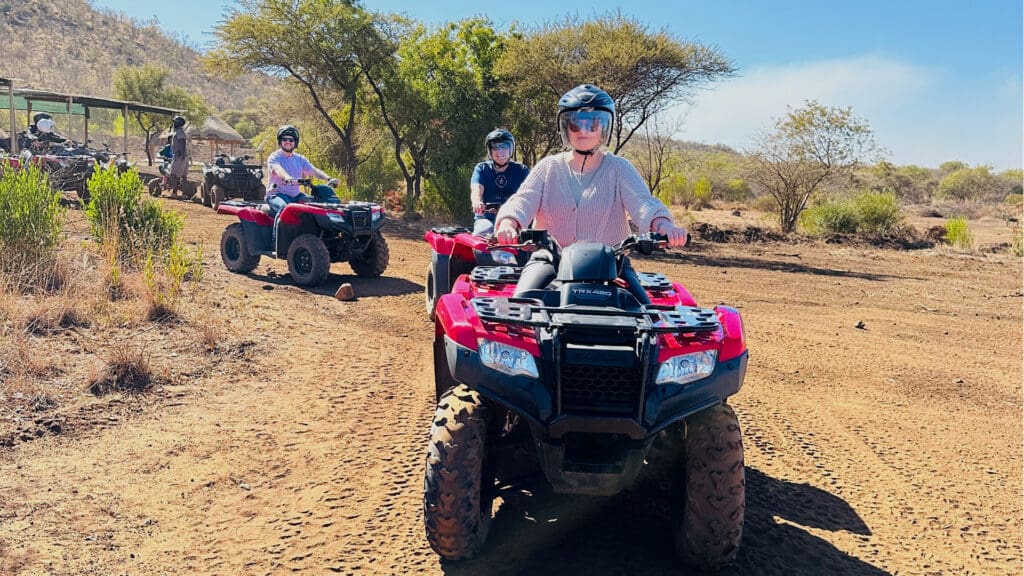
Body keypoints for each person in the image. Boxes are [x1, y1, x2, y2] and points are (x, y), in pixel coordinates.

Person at [494, 84, 688, 295]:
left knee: (646, 315)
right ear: (566, 128)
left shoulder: (620, 168)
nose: (584, 131)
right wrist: (508, 222)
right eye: (576, 124)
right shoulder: (548, 167)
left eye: (593, 124)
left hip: (612, 265)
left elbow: (643, 204)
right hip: (550, 259)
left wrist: (664, 226)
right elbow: (523, 200)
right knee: (522, 305)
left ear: (603, 128)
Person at [264, 125, 339, 216]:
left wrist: (328, 178)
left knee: (315, 206)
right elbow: (278, 169)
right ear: (280, 141)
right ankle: (276, 230)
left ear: (295, 142)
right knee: (285, 209)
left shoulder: (299, 158)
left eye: (291, 140)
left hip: (296, 195)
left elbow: (314, 171)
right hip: (276, 194)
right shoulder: (274, 157)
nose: (288, 142)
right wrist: (287, 177)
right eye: (285, 139)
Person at [470, 129, 529, 236]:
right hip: (487, 217)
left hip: (513, 217)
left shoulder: (521, 170)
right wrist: (477, 201)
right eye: (496, 147)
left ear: (511, 149)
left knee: (533, 239)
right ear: (490, 151)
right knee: (483, 234)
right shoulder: (482, 168)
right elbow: (476, 189)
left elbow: (530, 193)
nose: (500, 151)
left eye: (504, 146)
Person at [167, 115, 192, 199]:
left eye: (175, 122)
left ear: (178, 123)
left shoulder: (179, 132)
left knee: (173, 174)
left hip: (179, 156)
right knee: (183, 176)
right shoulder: (179, 132)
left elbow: (182, 142)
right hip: (183, 156)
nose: (173, 124)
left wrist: (181, 154)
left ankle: (174, 193)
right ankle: (184, 194)